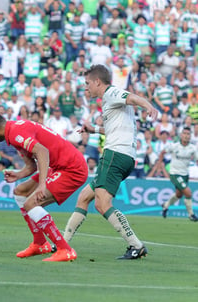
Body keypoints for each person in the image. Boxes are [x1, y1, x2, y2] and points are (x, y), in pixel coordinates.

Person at [63, 64, 159, 259]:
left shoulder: (111, 93)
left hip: (115, 154)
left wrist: (148, 105)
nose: (86, 87)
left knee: (102, 203)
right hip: (124, 155)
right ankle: (62, 245)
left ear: (98, 81)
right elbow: (113, 130)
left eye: (88, 83)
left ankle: (136, 245)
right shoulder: (109, 102)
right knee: (84, 197)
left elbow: (133, 97)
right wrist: (93, 130)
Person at [0, 110, 88, 262]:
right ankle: (40, 243)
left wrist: (42, 185)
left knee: (31, 203)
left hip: (72, 168)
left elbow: (42, 151)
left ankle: (65, 249)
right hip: (59, 166)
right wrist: (18, 174)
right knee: (20, 191)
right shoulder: (12, 131)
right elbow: (32, 166)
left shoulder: (15, 133)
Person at [160, 127, 198, 222]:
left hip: (185, 175)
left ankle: (166, 205)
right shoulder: (174, 146)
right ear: (181, 135)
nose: (186, 136)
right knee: (188, 193)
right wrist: (160, 165)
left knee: (179, 195)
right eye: (184, 133)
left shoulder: (193, 148)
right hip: (174, 174)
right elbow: (162, 152)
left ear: (190, 136)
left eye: (188, 134)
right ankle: (191, 215)